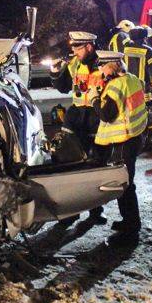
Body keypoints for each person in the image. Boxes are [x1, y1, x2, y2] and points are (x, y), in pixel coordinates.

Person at [51, 31, 106, 221]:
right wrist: (55, 72)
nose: (73, 51)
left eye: (77, 47)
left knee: (95, 164)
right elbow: (63, 87)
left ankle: (95, 211)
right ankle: (70, 211)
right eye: (72, 47)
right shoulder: (74, 63)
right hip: (76, 115)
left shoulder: (105, 64)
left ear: (89, 47)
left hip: (95, 116)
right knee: (69, 161)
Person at [90, 55, 147, 233]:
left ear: (112, 67)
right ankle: (130, 221)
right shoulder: (133, 79)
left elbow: (107, 114)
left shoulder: (115, 86)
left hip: (123, 139)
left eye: (103, 67)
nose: (101, 71)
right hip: (135, 136)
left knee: (125, 184)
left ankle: (131, 224)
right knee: (127, 181)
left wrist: (94, 99)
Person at [123, 26, 152, 91]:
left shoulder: (125, 49)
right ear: (144, 38)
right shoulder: (148, 50)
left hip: (128, 86)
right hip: (143, 88)